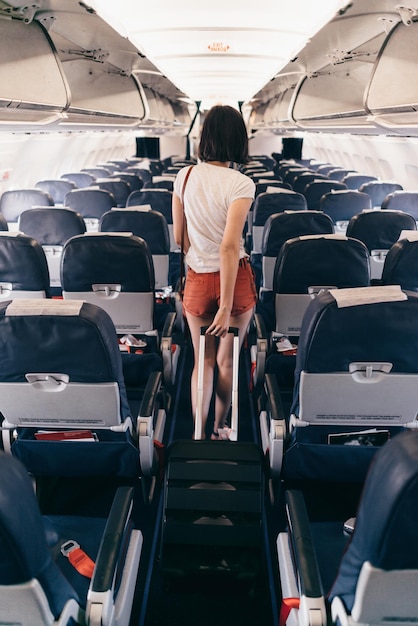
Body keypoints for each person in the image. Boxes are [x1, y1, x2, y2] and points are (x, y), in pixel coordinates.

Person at [172, 105, 257, 439]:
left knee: (202, 360)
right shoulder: (241, 184)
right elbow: (230, 247)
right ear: (239, 141)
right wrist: (224, 305)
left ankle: (197, 433)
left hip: (197, 279)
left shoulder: (185, 176)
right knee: (226, 362)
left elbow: (179, 238)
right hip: (234, 285)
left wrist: (199, 257)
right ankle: (221, 428)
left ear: (204, 137)